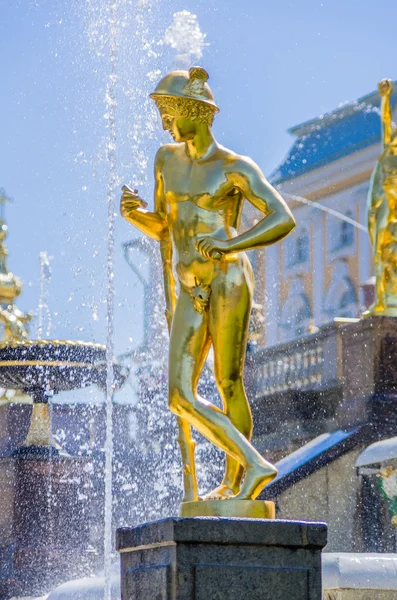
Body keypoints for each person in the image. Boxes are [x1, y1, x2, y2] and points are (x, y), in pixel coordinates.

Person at [121, 66, 295, 502]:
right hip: (189, 288)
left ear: (193, 112)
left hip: (228, 279)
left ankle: (238, 483)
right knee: (179, 396)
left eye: (169, 113)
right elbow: (165, 227)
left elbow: (282, 218)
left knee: (228, 382)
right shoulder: (165, 159)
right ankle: (255, 461)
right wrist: (135, 215)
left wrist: (231, 240)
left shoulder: (235, 167)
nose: (164, 124)